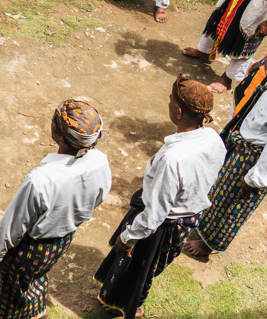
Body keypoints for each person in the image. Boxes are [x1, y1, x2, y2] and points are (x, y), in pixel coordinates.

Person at [94, 76, 226, 319]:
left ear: (177, 111)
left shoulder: (173, 158)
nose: (168, 102)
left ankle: (130, 308)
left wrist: (129, 237)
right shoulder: (213, 139)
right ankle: (116, 298)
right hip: (186, 217)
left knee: (138, 269)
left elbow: (155, 213)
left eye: (170, 99)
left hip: (159, 226)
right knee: (144, 268)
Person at [184, 30, 267, 261]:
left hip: (255, 156)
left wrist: (257, 178)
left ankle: (210, 244)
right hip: (244, 138)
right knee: (220, 189)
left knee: (234, 200)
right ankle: (203, 222)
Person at [0, 100, 111, 319]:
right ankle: (37, 311)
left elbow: (14, 227)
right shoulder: (100, 162)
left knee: (10, 289)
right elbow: (97, 199)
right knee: (37, 275)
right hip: (61, 241)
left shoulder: (41, 180)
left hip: (29, 248)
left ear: (59, 136)